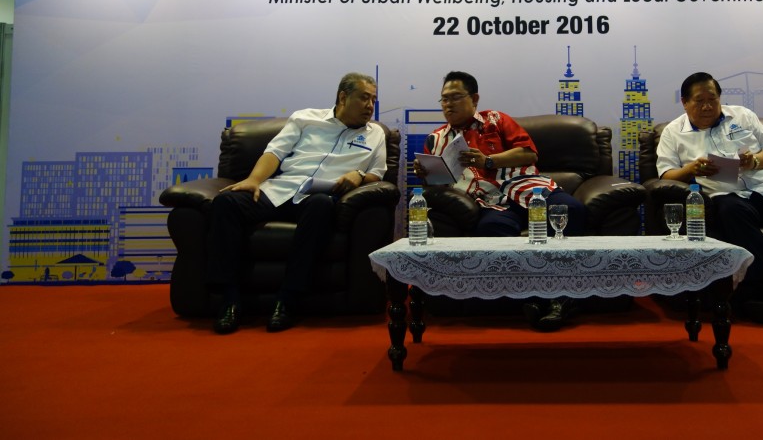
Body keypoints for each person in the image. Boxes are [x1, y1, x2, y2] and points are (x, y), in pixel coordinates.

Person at [206, 72, 387, 335]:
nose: (370, 105)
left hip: (318, 197)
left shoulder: (375, 135)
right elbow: (275, 152)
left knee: (322, 205)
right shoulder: (305, 118)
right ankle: (229, 300)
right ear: (343, 97)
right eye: (364, 98)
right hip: (280, 188)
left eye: (373, 99)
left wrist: (358, 175)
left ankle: (287, 299)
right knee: (226, 202)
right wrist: (254, 180)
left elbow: (378, 173)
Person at [414, 70, 587, 331]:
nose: (448, 104)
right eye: (443, 99)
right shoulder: (435, 140)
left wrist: (489, 161)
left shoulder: (496, 120)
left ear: (474, 99)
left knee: (571, 210)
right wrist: (425, 175)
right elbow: (438, 185)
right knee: (491, 232)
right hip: (488, 200)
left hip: (527, 188)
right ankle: (541, 298)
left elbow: (529, 155)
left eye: (455, 97)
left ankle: (558, 296)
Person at [656, 71, 763, 330]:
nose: (707, 106)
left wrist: (754, 161)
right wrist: (692, 169)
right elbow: (666, 173)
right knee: (731, 212)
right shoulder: (673, 132)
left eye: (712, 99)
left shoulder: (743, 116)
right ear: (684, 102)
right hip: (726, 195)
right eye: (699, 101)